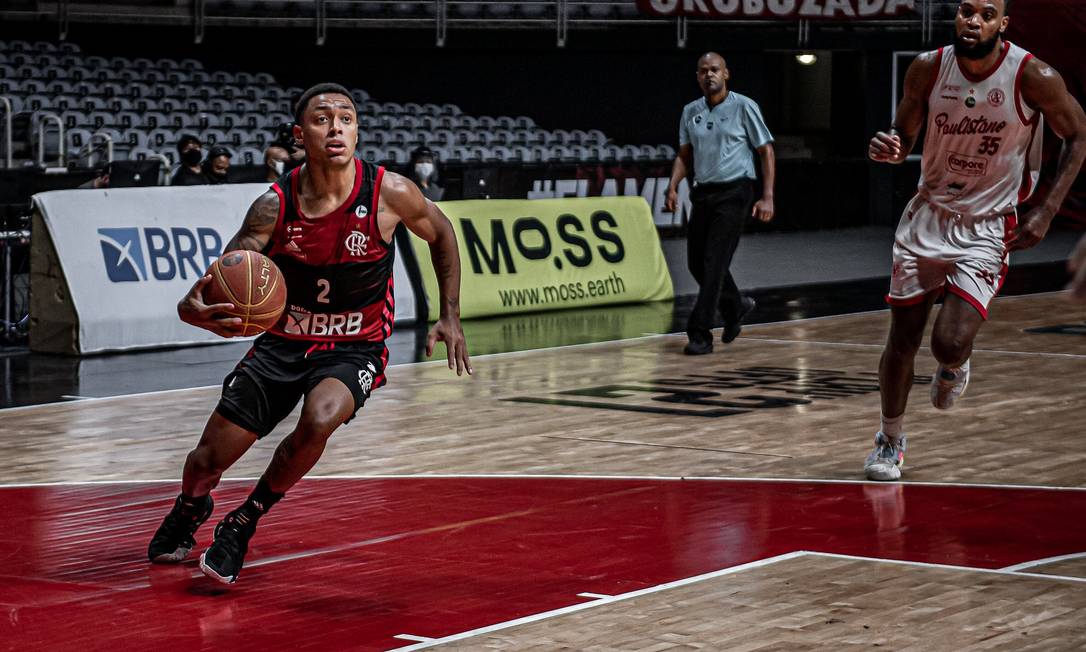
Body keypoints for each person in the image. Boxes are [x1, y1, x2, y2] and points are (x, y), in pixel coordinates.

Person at [147, 83, 473, 584]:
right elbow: (225, 275)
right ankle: (191, 508)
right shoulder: (273, 206)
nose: (336, 126)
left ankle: (242, 523)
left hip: (354, 346)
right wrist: (193, 307)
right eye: (322, 119)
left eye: (346, 118)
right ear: (301, 135)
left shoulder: (391, 192)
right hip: (281, 344)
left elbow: (444, 232)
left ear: (358, 131)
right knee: (206, 460)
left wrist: (449, 312)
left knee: (320, 417)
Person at [863, 0, 1086, 481]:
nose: (974, 20)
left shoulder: (1033, 76)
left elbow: (1079, 135)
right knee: (902, 337)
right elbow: (904, 132)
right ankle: (890, 439)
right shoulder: (928, 68)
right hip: (929, 214)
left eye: (987, 13)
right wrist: (891, 145)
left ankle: (955, 364)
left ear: (1002, 24)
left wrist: (1046, 210)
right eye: (966, 10)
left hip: (987, 224)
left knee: (948, 341)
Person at [664, 51, 776, 356]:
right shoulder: (691, 111)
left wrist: (767, 196)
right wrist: (673, 186)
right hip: (704, 192)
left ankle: (700, 333)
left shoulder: (743, 106)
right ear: (697, 76)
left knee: (715, 262)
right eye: (703, 71)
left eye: (714, 69)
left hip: (735, 191)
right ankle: (735, 305)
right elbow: (685, 155)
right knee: (696, 263)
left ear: (726, 74)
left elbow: (765, 151)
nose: (708, 75)